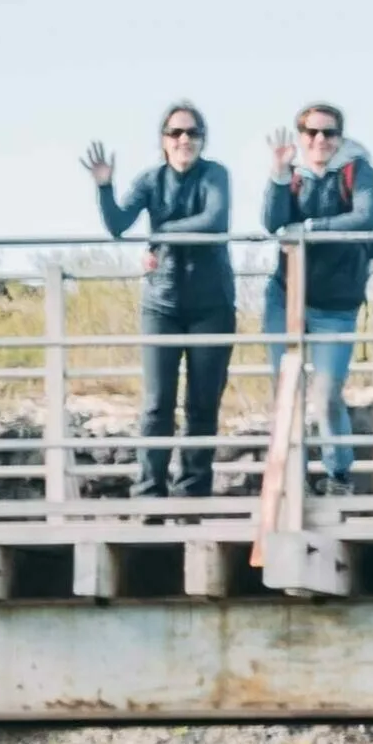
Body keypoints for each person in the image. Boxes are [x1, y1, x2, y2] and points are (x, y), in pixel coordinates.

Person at [84, 104, 235, 497]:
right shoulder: (151, 179)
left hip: (211, 305)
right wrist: (104, 187)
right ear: (163, 140)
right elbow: (118, 225)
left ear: (202, 139)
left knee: (202, 403)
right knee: (156, 404)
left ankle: (193, 491)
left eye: (192, 133)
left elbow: (214, 221)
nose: (184, 140)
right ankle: (149, 491)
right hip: (162, 304)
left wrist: (161, 232)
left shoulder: (215, 175)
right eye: (175, 133)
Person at [261, 103, 373, 493]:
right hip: (286, 298)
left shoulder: (356, 169)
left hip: (336, 304)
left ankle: (337, 474)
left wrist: (310, 228)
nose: (319, 140)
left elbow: (366, 216)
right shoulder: (294, 175)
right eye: (310, 132)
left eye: (328, 133)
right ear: (300, 136)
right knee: (287, 390)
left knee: (326, 392)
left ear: (340, 136)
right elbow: (271, 222)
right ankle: (292, 478)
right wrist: (279, 175)